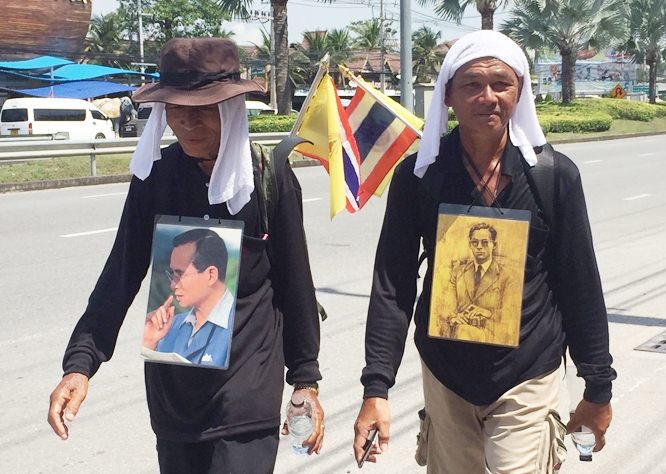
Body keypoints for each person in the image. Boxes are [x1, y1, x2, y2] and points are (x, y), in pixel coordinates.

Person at [47, 37, 325, 473]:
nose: (189, 124)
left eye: (204, 110)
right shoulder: (155, 179)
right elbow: (120, 275)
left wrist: (305, 378)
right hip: (174, 398)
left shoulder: (268, 180)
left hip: (246, 396)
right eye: (178, 110)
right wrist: (79, 365)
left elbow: (295, 284)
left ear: (231, 110)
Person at [352, 30, 616, 473]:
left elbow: (580, 285)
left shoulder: (553, 177)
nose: (487, 96)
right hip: (447, 375)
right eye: (472, 84)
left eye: (501, 84)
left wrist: (598, 388)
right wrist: (375, 388)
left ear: (521, 91)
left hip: (529, 371)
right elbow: (392, 285)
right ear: (449, 96)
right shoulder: (420, 178)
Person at [143, 228, 234, 367]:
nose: (173, 285)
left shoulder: (241, 323)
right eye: (172, 274)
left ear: (211, 275)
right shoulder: (169, 326)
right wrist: (149, 341)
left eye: (180, 274)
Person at [439, 222, 520, 343]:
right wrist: (453, 317)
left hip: (493, 338)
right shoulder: (458, 273)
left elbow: (511, 315)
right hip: (459, 339)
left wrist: (488, 313)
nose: (479, 247)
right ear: (470, 245)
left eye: (485, 242)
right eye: (475, 242)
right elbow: (446, 306)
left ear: (494, 245)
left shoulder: (508, 276)